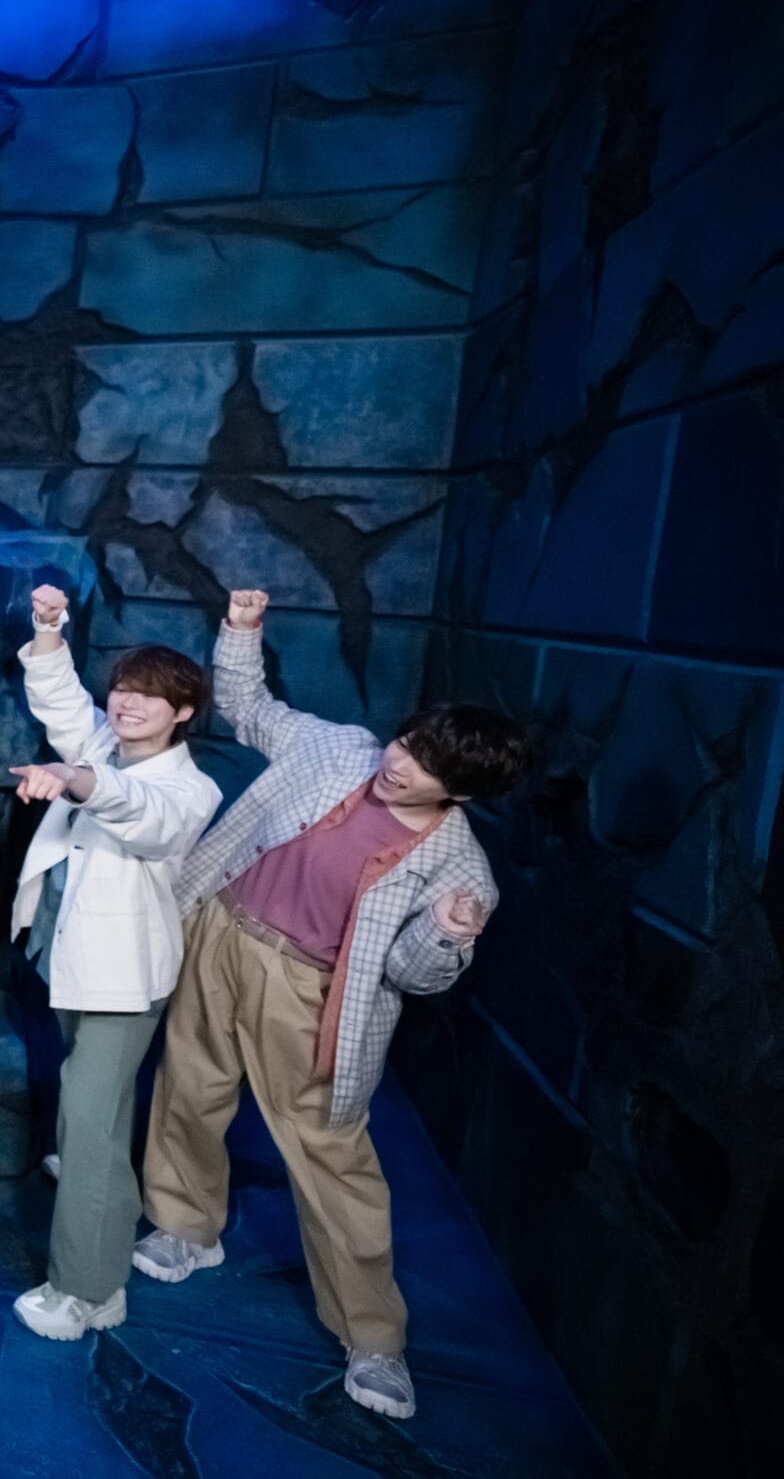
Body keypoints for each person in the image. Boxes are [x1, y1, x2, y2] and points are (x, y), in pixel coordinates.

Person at [133, 587, 530, 1421]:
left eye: (424, 763)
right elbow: (249, 708)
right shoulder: (341, 748)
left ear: (459, 791)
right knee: (189, 1087)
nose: (400, 762)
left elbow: (416, 975)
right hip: (222, 928)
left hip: (311, 991)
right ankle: (186, 1226)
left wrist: (447, 934)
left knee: (331, 1153)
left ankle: (373, 1336)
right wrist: (242, 631)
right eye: (408, 740)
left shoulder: (460, 869)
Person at [2, 585, 222, 1340]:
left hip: (122, 981)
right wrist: (49, 625)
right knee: (98, 1118)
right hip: (69, 958)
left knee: (88, 1126)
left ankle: (88, 1291)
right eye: (125, 686)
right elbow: (60, 697)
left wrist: (72, 779)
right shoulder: (102, 739)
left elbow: (138, 811)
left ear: (182, 712)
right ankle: (105, 1217)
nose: (129, 702)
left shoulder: (191, 789)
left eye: (151, 695)